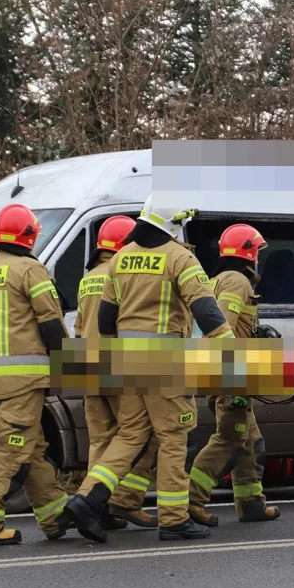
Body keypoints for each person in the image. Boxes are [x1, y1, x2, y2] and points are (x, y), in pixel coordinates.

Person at [62, 199, 235, 543]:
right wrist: (231, 351)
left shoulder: (121, 258)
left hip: (126, 362)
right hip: (165, 361)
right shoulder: (179, 257)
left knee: (129, 436)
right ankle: (173, 519)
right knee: (173, 437)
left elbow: (105, 320)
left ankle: (86, 500)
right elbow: (206, 309)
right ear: (174, 222)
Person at [0, 204, 75, 545]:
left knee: (33, 448)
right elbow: (51, 322)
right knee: (6, 451)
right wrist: (67, 365)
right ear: (30, 236)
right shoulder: (30, 270)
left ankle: (55, 516)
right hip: (25, 378)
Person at [187, 224, 281, 527]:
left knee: (251, 441)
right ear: (249, 253)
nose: (258, 260)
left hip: (223, 369)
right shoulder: (237, 281)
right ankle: (190, 499)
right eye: (257, 252)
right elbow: (223, 324)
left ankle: (251, 502)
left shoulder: (218, 279)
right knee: (229, 437)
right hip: (229, 371)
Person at [74, 214, 158, 531]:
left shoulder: (88, 278)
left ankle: (95, 506)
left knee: (101, 441)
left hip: (86, 366)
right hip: (120, 366)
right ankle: (125, 501)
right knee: (140, 437)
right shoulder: (125, 272)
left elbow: (80, 327)